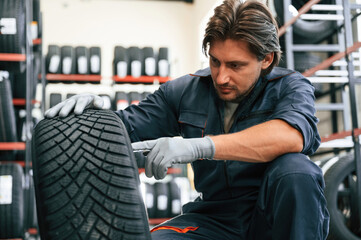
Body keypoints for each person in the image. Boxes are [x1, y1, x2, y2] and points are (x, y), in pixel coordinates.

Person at [45, 0, 329, 239]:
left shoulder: (291, 87)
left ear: (266, 60)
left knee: (296, 170)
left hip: (273, 217)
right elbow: (124, 127)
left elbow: (291, 136)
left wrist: (198, 146)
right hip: (214, 218)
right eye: (215, 61)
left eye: (235, 65)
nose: (221, 76)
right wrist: (93, 116)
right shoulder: (185, 91)